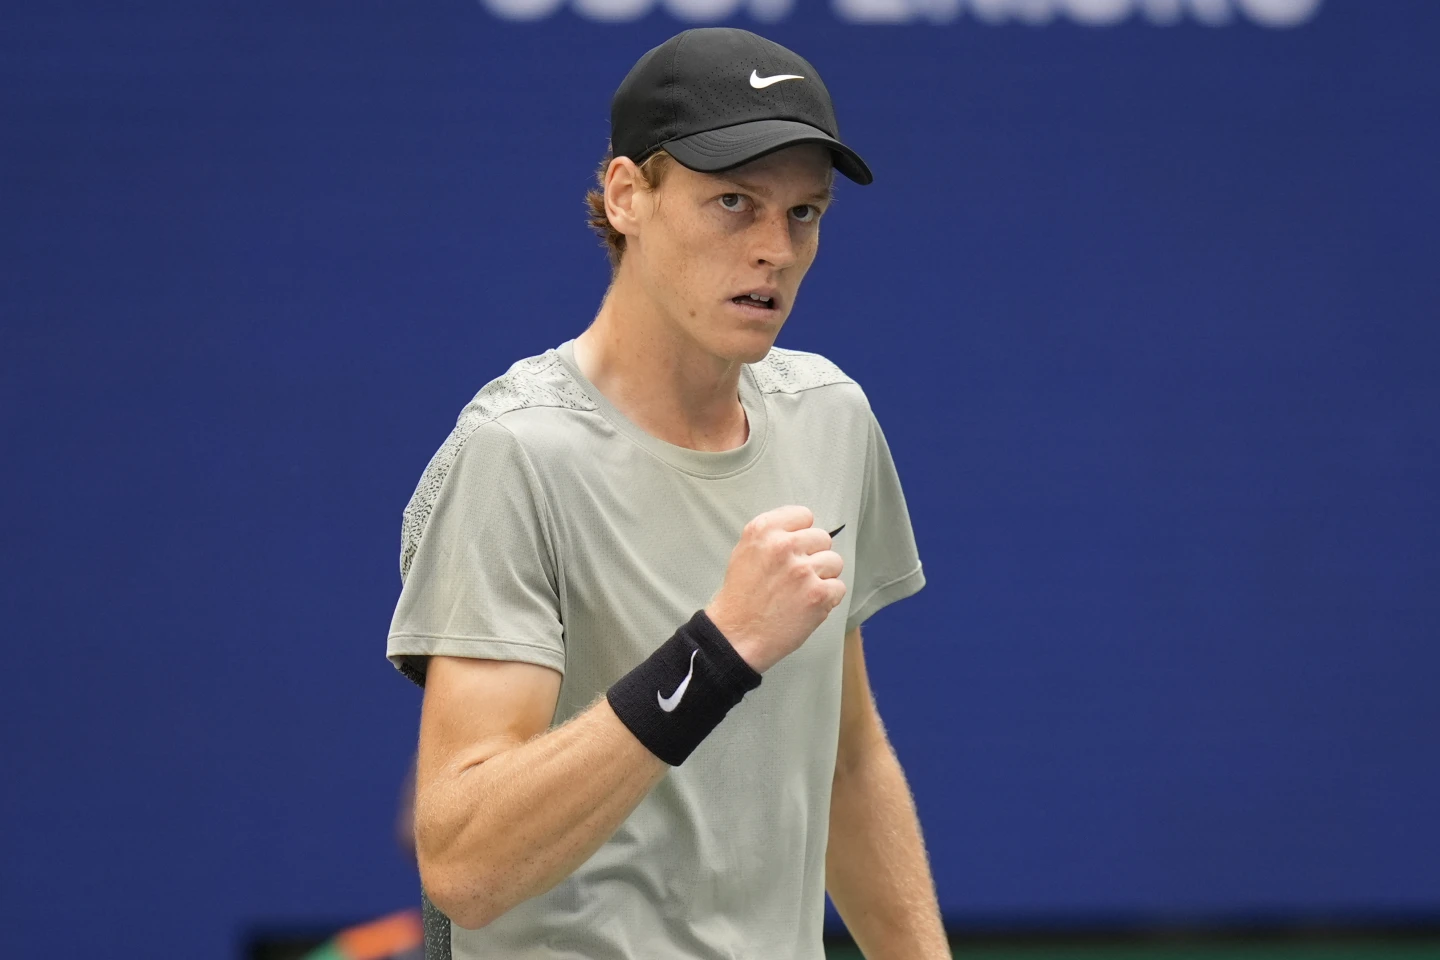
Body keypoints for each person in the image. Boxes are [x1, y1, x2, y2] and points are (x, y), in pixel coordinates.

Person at [385, 26, 948, 960]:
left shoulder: (830, 418)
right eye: (734, 201)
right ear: (626, 195)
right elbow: (464, 863)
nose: (775, 248)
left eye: (804, 213)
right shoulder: (514, 453)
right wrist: (718, 650)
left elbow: (845, 763)